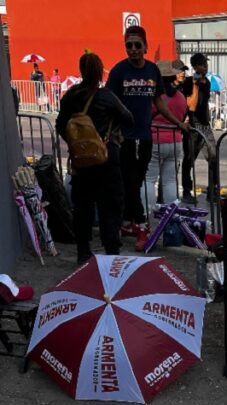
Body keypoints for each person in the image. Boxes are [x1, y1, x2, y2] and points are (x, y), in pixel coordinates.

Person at [107, 25, 189, 245]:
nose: (132, 50)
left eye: (137, 45)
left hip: (145, 137)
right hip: (125, 138)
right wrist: (113, 131)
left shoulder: (152, 70)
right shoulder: (118, 71)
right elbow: (108, 103)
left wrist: (178, 123)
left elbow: (160, 102)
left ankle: (126, 222)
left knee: (135, 181)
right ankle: (142, 225)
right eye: (128, 45)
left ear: (145, 47)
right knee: (132, 182)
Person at [56, 52, 134, 262]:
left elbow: (60, 125)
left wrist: (77, 144)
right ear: (100, 72)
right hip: (106, 158)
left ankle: (83, 251)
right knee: (110, 205)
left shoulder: (71, 96)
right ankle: (111, 252)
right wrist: (111, 132)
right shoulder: (105, 96)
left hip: (81, 163)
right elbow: (128, 117)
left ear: (81, 71)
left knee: (83, 206)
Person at [144, 61, 187, 227]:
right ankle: (172, 218)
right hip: (176, 142)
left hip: (155, 141)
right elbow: (182, 117)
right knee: (170, 181)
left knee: (149, 180)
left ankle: (147, 217)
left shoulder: (156, 97)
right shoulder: (181, 97)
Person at [180, 53, 214, 204]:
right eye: (202, 64)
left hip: (205, 125)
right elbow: (186, 102)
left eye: (206, 63)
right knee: (188, 160)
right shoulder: (188, 82)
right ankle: (187, 191)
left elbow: (203, 103)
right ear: (195, 66)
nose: (205, 66)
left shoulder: (206, 82)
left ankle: (213, 190)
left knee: (213, 157)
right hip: (192, 125)